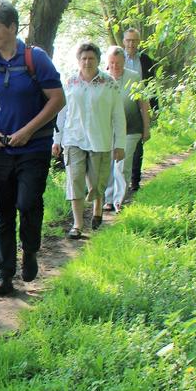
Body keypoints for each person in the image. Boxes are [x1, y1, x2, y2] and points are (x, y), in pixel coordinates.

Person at [0, 0, 65, 296]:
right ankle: (4, 273)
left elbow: (58, 99)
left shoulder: (35, 59)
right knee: (2, 213)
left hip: (34, 148)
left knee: (27, 203)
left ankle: (30, 251)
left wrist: (28, 131)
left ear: (12, 27)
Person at [52, 43, 125, 239]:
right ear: (78, 60)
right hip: (73, 138)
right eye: (83, 58)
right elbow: (61, 112)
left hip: (100, 139)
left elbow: (118, 115)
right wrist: (56, 139)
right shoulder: (69, 82)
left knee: (96, 182)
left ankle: (98, 207)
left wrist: (120, 144)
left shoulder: (109, 83)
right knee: (74, 179)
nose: (87, 62)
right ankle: (77, 224)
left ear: (98, 60)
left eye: (91, 58)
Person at [103, 46, 150, 212]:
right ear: (107, 63)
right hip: (108, 130)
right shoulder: (102, 78)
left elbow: (144, 104)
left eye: (118, 63)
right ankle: (108, 199)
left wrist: (146, 127)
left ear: (124, 62)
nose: (115, 66)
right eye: (112, 63)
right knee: (108, 165)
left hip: (131, 128)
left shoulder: (134, 77)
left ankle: (118, 200)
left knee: (122, 165)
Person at [122, 28, 158, 191]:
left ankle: (135, 181)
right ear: (124, 41)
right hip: (121, 105)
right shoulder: (116, 57)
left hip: (140, 104)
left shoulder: (145, 60)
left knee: (138, 142)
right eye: (128, 40)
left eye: (134, 40)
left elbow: (152, 85)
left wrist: (155, 108)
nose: (131, 44)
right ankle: (118, 179)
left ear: (138, 42)